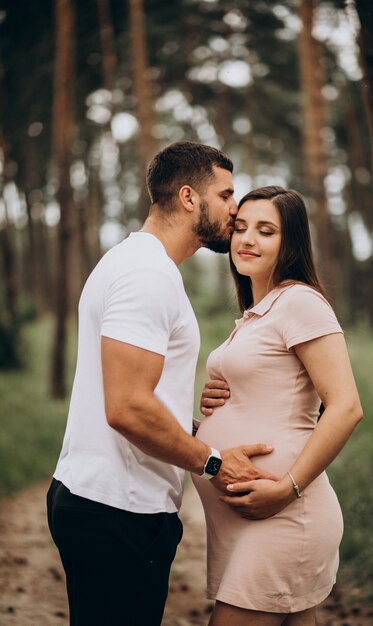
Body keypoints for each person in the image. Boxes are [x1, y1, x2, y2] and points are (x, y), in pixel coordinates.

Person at [46, 142, 277, 626]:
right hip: (118, 510)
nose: (235, 209)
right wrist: (214, 462)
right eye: (227, 194)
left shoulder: (136, 263)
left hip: (106, 503)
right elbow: (127, 407)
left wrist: (199, 424)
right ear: (190, 197)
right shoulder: (145, 275)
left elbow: (138, 395)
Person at [192, 186, 363, 626]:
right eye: (240, 228)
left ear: (291, 243)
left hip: (286, 514)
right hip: (252, 522)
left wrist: (287, 488)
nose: (247, 239)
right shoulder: (258, 312)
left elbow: (345, 407)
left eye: (266, 231)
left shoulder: (300, 302)